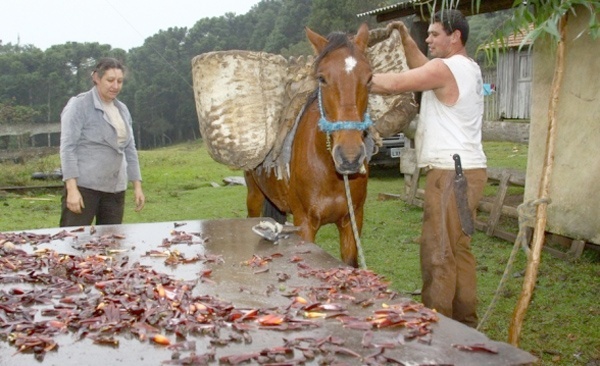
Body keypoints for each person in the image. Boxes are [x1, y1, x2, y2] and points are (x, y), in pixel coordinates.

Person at [370, 10, 487, 328]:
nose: (428, 38)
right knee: (458, 250)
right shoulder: (466, 68)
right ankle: (465, 326)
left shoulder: (446, 69)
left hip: (449, 175)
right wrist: (406, 39)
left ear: (455, 37)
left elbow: (393, 83)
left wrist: (348, 72)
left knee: (438, 252)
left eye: (435, 34)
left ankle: (437, 331)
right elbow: (423, 65)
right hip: (467, 172)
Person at [59, 57, 145, 227]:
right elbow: (68, 148)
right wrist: (72, 189)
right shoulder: (79, 105)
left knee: (111, 243)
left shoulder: (122, 109)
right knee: (73, 243)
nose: (115, 86)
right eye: (110, 80)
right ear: (96, 78)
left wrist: (137, 185)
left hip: (115, 189)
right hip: (84, 187)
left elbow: (130, 149)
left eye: (120, 81)